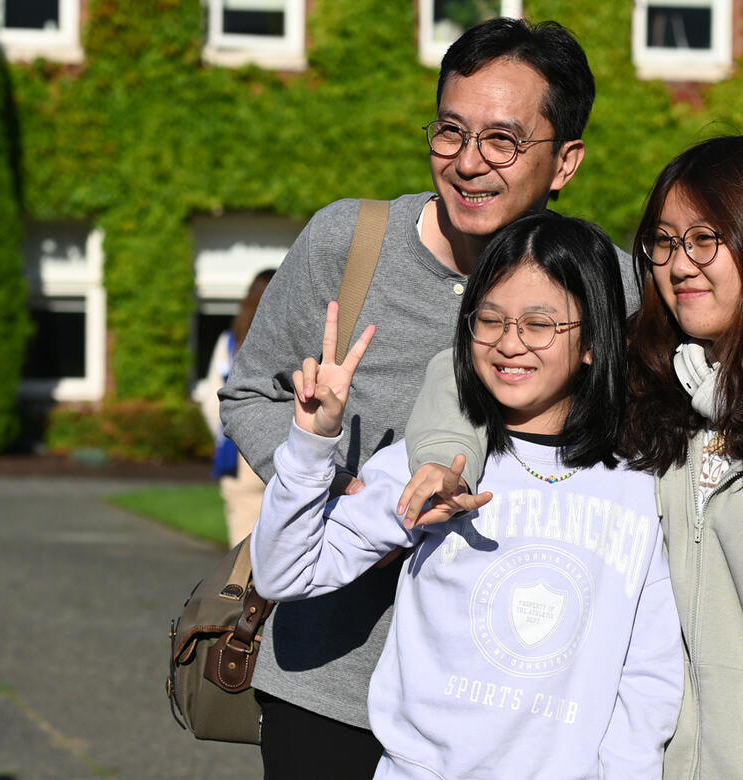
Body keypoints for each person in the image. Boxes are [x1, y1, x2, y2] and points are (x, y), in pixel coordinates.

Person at [400, 135, 743, 777]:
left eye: (706, 239)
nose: (679, 265)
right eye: (665, 242)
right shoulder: (653, 392)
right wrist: (448, 452)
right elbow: (480, 363)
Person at [217, 17, 640, 777]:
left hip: (499, 704)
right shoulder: (348, 241)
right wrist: (329, 488)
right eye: (450, 131)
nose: (469, 163)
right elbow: (250, 389)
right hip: (330, 676)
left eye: (503, 140)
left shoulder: (607, 286)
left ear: (565, 160)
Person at [251, 211, 683, 778]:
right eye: (491, 319)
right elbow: (286, 573)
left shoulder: (638, 484)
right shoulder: (434, 466)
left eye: (539, 324)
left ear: (593, 344)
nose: (509, 344)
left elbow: (647, 673)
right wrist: (312, 444)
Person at [200, 269, 275, 547]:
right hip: (283, 457)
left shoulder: (230, 344)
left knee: (241, 561)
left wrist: (226, 440)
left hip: (240, 457)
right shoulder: (293, 343)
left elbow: (212, 404)